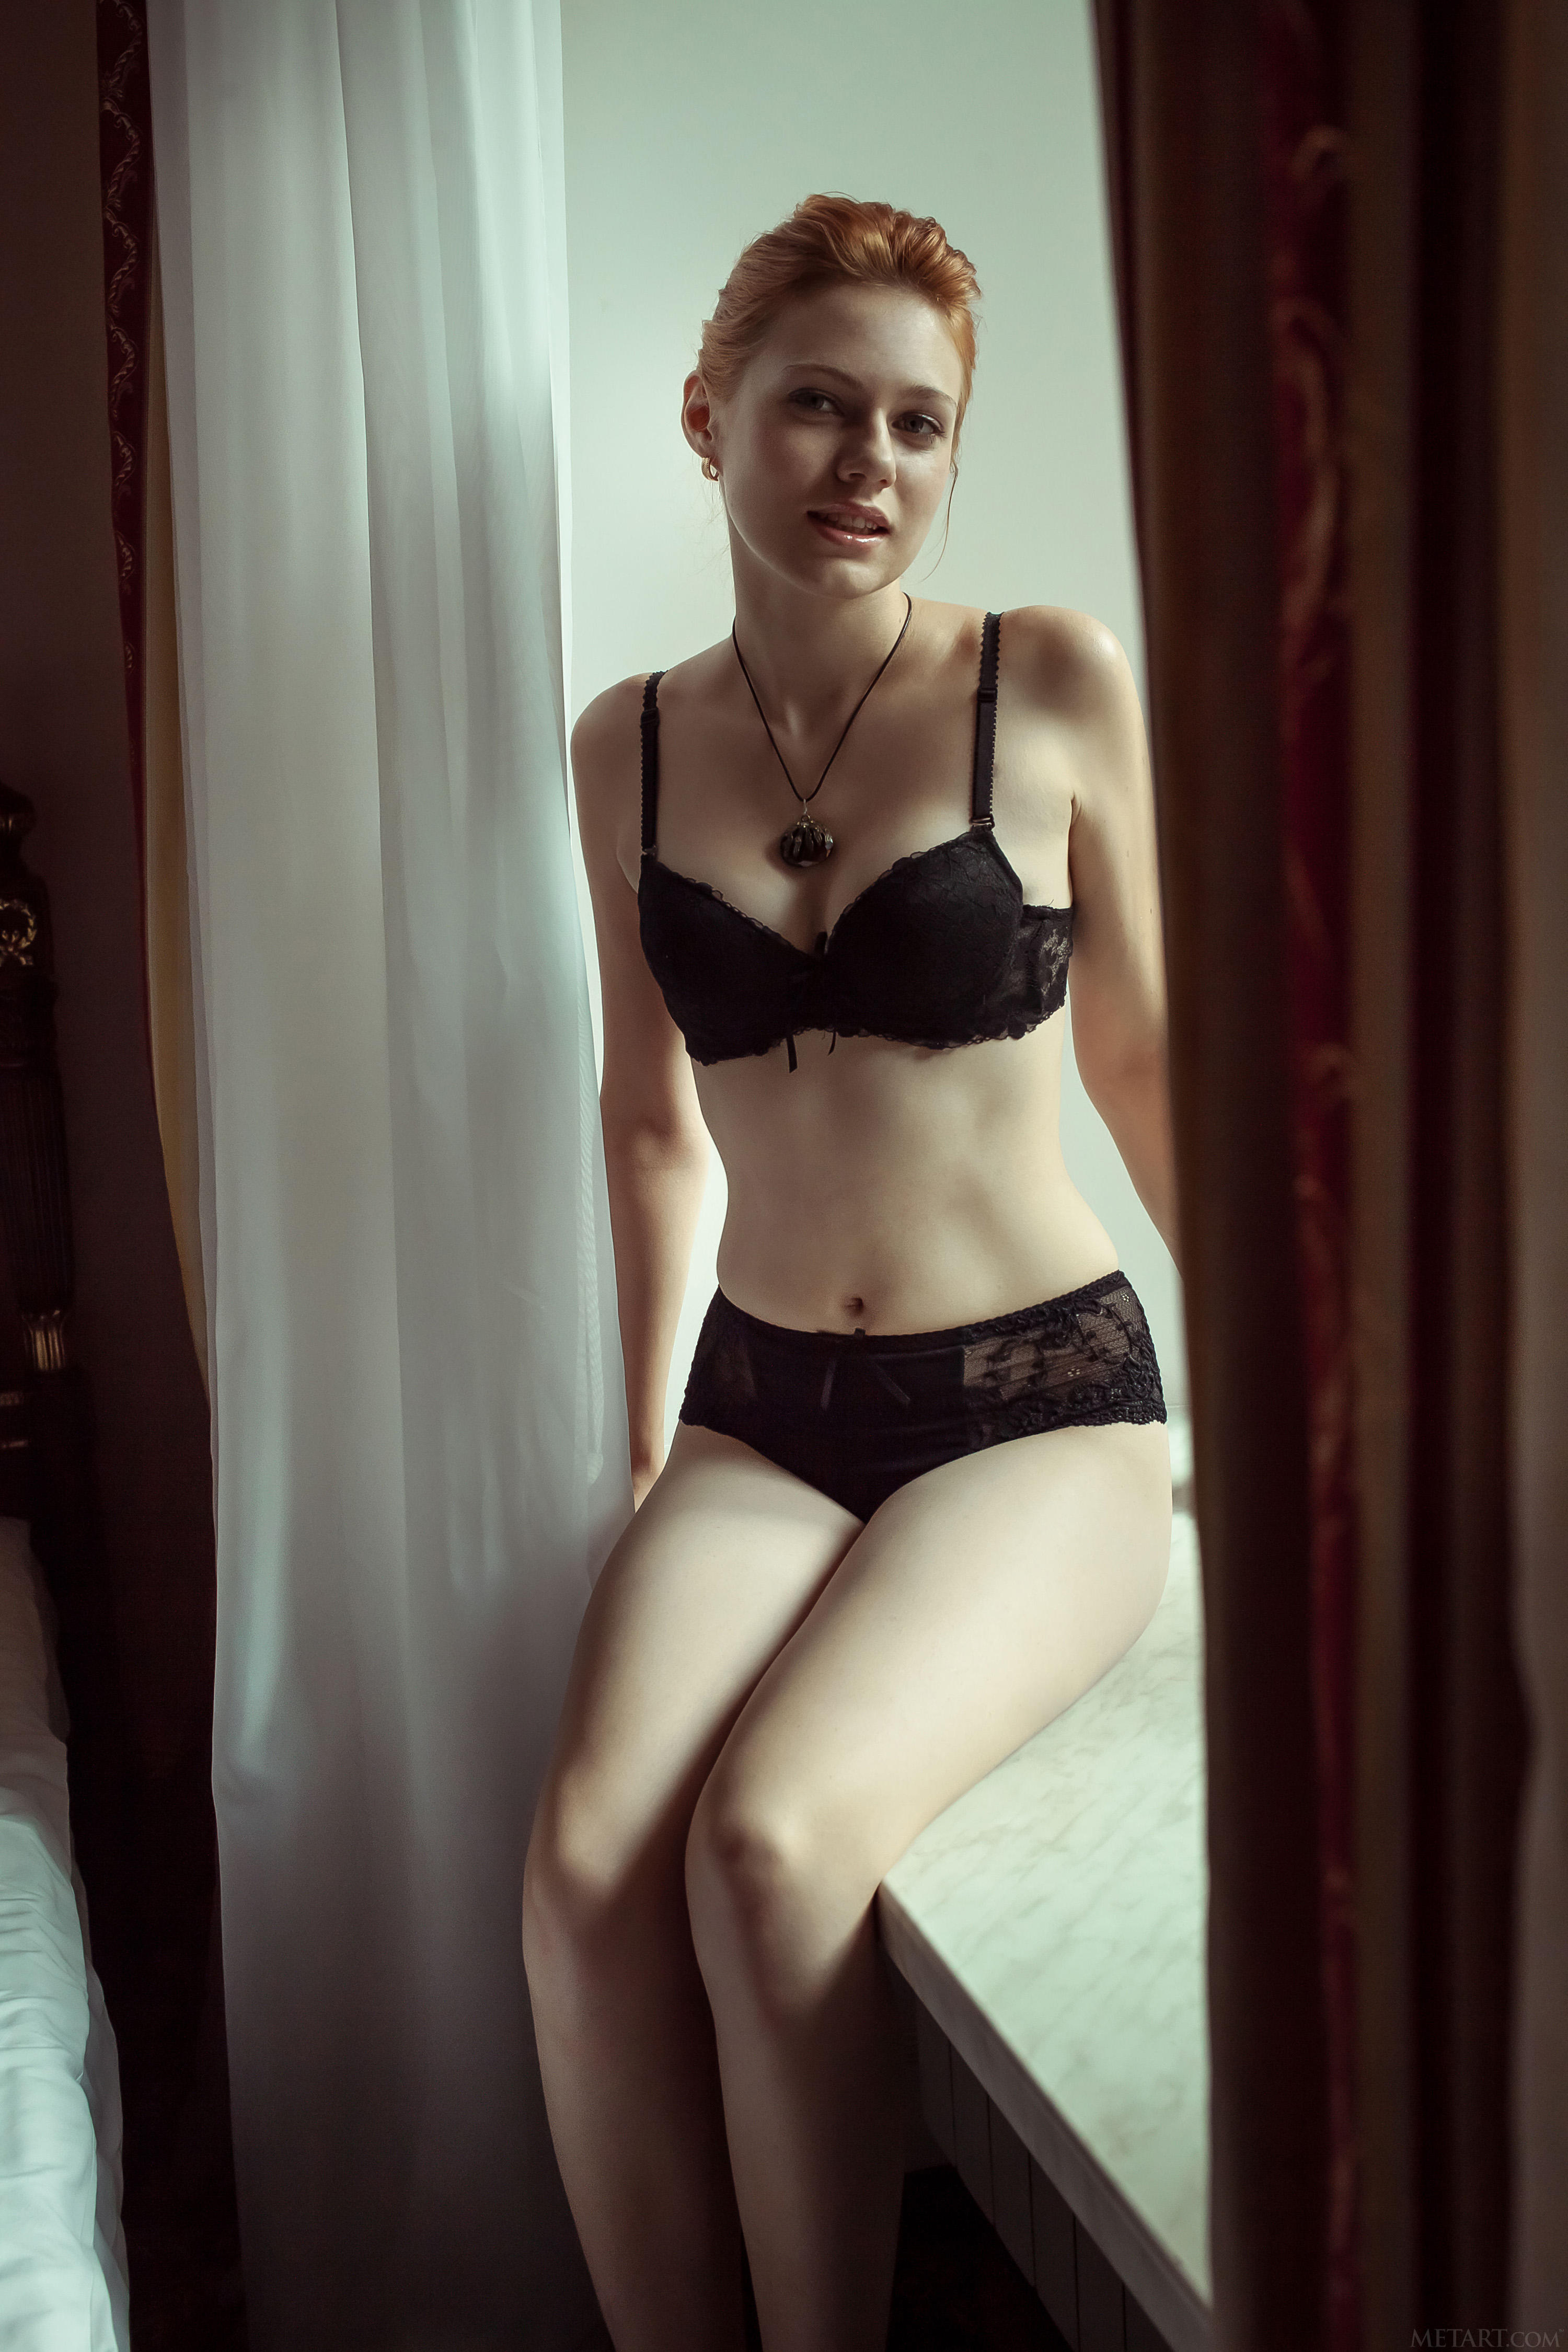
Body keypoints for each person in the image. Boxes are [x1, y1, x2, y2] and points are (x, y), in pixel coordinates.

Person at [522, 195, 1177, 2352]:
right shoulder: (623, 742)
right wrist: (646, 1452)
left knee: (771, 1847)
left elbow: (1155, 1067)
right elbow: (649, 1122)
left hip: (1035, 1409)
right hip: (765, 1409)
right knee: (585, 1873)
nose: (870, 461)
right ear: (707, 416)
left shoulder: (1047, 678)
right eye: (819, 404)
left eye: (920, 421)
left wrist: (1296, 1418)